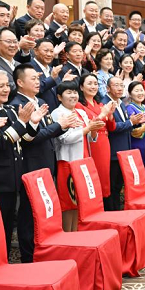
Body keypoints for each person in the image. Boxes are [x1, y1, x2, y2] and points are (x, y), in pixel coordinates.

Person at [9, 64, 75, 262]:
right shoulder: (18, 105)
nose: (38, 82)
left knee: (43, 210)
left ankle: (44, 249)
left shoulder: (41, 101)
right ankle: (29, 256)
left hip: (46, 161)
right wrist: (59, 126)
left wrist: (63, 126)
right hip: (31, 164)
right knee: (29, 213)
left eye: (38, 78)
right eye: (33, 79)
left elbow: (48, 130)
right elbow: (30, 138)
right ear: (20, 82)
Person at [0, 69, 43, 257]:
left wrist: (33, 123)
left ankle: (6, 262)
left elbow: (26, 138)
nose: (6, 89)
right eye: (1, 86)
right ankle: (0, 263)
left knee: (7, 225)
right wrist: (21, 123)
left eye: (7, 85)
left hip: (13, 177)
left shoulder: (8, 109)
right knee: (0, 228)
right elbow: (2, 143)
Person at [52, 81, 105, 231]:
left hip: (83, 160)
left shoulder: (81, 112)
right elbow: (64, 138)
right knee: (68, 201)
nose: (73, 96)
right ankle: (67, 233)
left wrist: (93, 130)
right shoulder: (58, 113)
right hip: (67, 162)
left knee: (79, 200)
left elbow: (90, 138)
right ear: (59, 97)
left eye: (75, 92)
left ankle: (75, 231)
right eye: (69, 92)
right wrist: (88, 128)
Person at [104, 76, 145, 211]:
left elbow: (125, 125)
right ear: (108, 88)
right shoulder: (105, 104)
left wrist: (134, 122)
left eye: (121, 85)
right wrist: (131, 122)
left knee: (118, 185)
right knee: (112, 186)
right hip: (113, 150)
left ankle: (118, 211)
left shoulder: (121, 103)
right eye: (116, 85)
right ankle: (112, 213)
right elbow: (112, 127)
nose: (120, 88)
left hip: (124, 149)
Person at [77, 73, 117, 206]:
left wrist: (110, 115)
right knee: (96, 174)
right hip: (92, 142)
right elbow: (89, 125)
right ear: (81, 87)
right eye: (89, 84)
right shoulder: (79, 106)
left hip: (104, 142)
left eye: (95, 84)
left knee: (105, 175)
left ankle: (106, 204)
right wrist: (103, 114)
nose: (93, 86)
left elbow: (111, 127)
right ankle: (97, 204)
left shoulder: (99, 104)